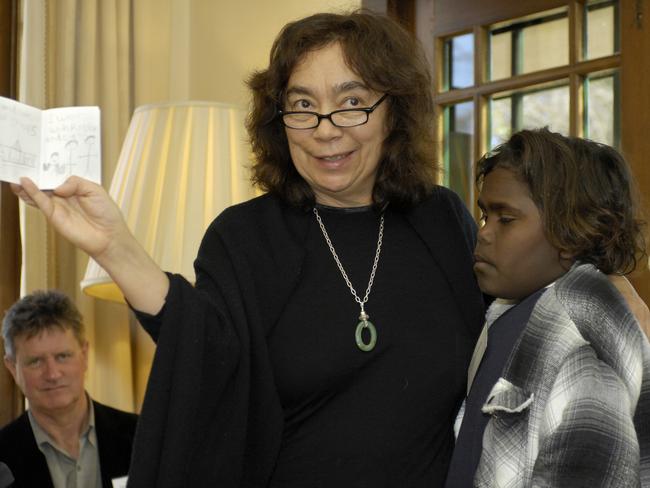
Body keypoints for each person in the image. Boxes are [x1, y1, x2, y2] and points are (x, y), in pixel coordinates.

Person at [11, 10, 486, 488]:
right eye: (302, 104)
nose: (324, 128)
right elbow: (207, 351)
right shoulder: (244, 238)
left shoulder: (441, 220)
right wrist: (114, 246)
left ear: (394, 112)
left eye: (352, 101)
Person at [444, 128, 650, 487]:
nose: (485, 233)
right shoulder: (512, 309)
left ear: (570, 233)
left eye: (505, 219)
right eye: (484, 216)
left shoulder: (586, 345)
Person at [0, 290, 138, 488]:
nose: (52, 374)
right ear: (12, 368)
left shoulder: (142, 438)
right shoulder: (3, 457)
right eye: (36, 361)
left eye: (62, 356)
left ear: (84, 354)